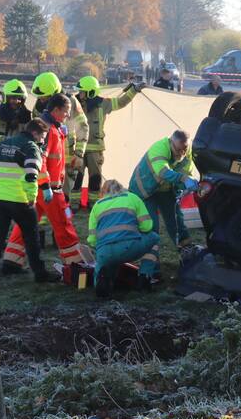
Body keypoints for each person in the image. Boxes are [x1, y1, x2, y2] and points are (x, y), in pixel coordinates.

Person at [0, 93, 84, 273]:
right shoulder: (48, 130)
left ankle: (11, 261)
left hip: (39, 187)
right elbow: (40, 160)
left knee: (25, 224)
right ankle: (76, 264)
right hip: (49, 189)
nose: (68, 115)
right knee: (63, 224)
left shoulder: (51, 128)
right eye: (66, 111)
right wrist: (46, 186)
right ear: (56, 110)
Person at [0, 118, 52, 289]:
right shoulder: (31, 147)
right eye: (42, 137)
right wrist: (31, 197)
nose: (43, 141)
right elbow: (31, 175)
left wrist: (2, 184)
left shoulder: (3, 144)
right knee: (32, 238)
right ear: (35, 133)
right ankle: (40, 274)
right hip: (19, 200)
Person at [128, 130, 197, 264]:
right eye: (178, 150)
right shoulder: (159, 148)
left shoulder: (187, 152)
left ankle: (187, 252)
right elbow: (163, 172)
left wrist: (185, 186)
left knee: (176, 220)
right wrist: (183, 179)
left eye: (184, 149)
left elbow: (185, 172)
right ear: (171, 142)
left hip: (164, 189)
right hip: (145, 190)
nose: (181, 154)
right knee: (151, 225)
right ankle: (151, 266)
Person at [75, 75, 143, 209]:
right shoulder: (74, 103)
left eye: (82, 91)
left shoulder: (103, 103)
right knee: (76, 178)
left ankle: (94, 205)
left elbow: (121, 102)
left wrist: (134, 90)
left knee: (95, 179)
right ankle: (74, 204)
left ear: (91, 92)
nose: (80, 93)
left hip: (95, 149)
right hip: (78, 149)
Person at [89, 179, 160, 297]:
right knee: (154, 238)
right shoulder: (132, 198)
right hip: (130, 247)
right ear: (121, 188)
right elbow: (147, 227)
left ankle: (103, 281)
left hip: (104, 252)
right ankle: (144, 276)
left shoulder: (97, 205)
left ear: (103, 192)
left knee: (107, 262)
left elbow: (92, 239)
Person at [30, 72, 89, 210]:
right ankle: (49, 221)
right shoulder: (39, 105)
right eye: (40, 97)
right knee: (44, 194)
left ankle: (62, 218)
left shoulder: (71, 101)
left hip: (68, 157)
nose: (42, 99)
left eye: (45, 97)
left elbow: (83, 127)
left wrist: (79, 153)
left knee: (64, 195)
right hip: (46, 159)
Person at [0, 79, 32, 151]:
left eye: (19, 99)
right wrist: (3, 140)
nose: (16, 101)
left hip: (16, 157)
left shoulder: (27, 117)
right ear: (6, 98)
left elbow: (30, 138)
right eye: (13, 98)